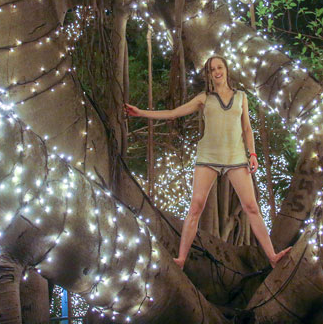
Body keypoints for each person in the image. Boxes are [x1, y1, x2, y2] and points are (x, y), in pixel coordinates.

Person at [124, 55, 291, 269]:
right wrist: (141, 113)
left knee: (251, 207)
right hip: (208, 157)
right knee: (196, 206)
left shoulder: (241, 97)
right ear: (209, 75)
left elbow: (247, 128)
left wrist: (253, 154)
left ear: (226, 70)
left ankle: (273, 256)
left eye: (219, 67)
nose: (217, 72)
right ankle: (181, 259)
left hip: (236, 157)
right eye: (212, 69)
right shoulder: (204, 98)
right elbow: (173, 113)